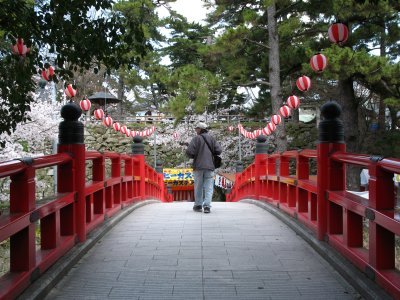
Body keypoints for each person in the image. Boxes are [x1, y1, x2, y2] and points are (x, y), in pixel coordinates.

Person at [186, 122, 222, 213]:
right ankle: (207, 206)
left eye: (197, 128)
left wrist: (196, 155)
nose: (196, 130)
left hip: (198, 166)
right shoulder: (212, 139)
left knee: (198, 186)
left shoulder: (196, 139)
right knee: (209, 187)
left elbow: (190, 152)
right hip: (210, 166)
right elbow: (219, 150)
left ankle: (198, 205)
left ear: (201, 129)